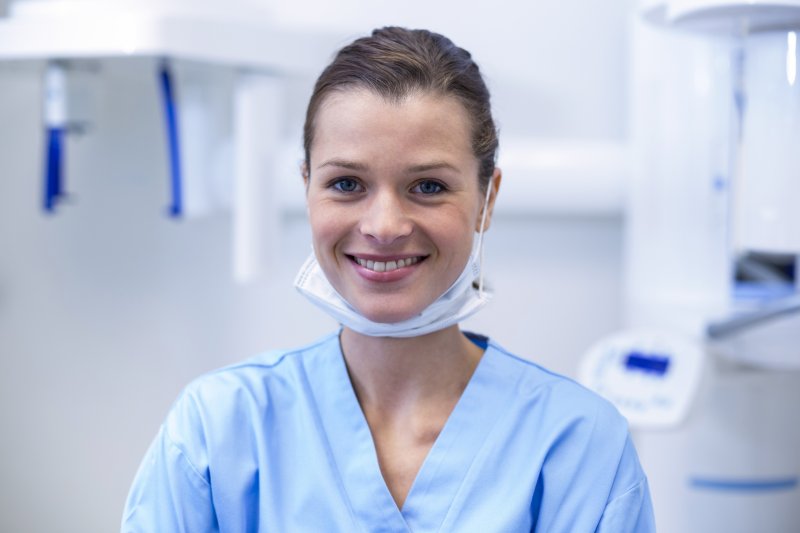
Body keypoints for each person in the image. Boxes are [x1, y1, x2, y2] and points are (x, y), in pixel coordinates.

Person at [121, 27, 656, 532]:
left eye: (427, 186)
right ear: (307, 187)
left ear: (486, 198)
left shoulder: (576, 445)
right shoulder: (219, 429)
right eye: (347, 183)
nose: (383, 227)